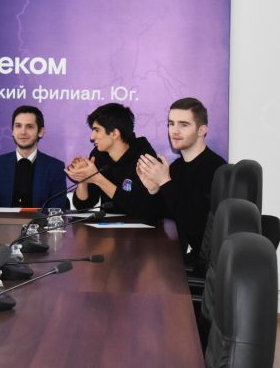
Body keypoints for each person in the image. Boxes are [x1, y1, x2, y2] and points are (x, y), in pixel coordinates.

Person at [136, 97, 226, 262]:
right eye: (171, 124)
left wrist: (165, 182)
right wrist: (153, 190)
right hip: (175, 256)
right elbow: (154, 219)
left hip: (202, 265)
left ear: (202, 130)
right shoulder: (176, 168)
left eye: (183, 125)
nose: (174, 131)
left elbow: (197, 230)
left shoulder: (216, 169)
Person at [66, 103, 160, 222]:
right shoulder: (98, 154)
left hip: (144, 228)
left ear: (115, 133)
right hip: (108, 228)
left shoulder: (144, 157)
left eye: (96, 130)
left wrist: (98, 179)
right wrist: (83, 178)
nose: (92, 137)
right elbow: (83, 206)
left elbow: (138, 208)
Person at [0, 105, 68, 209]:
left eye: (29, 127)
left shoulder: (55, 167)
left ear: (40, 132)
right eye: (18, 126)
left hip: (41, 220)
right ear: (13, 131)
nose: (23, 132)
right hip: (5, 220)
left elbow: (56, 209)